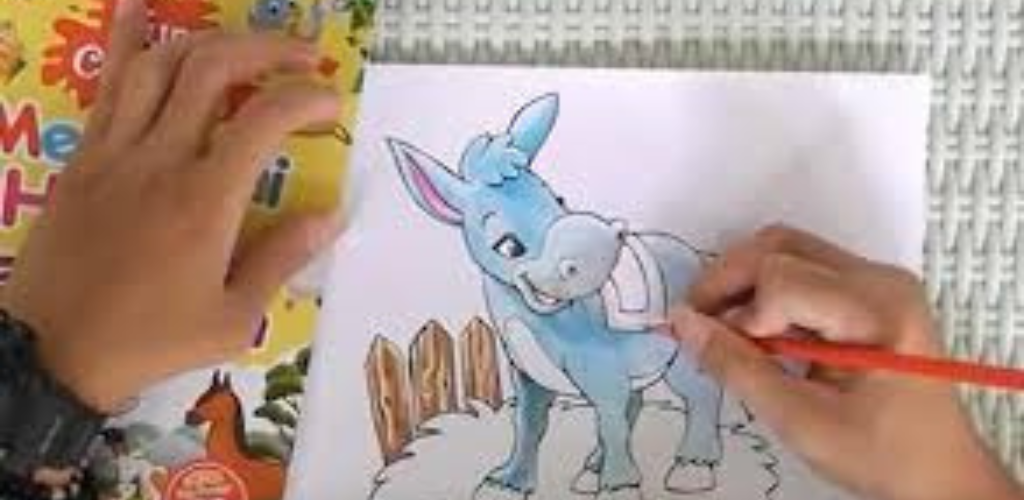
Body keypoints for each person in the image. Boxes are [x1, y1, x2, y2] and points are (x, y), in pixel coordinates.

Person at [0, 4, 1019, 500]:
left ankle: (683, 443)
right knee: (539, 385)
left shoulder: (598, 278)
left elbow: (606, 377)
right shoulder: (514, 298)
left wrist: (40, 386)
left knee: (643, 389)